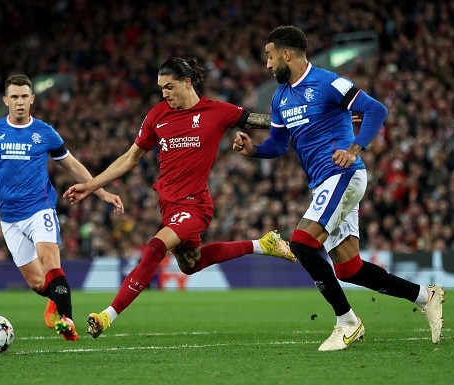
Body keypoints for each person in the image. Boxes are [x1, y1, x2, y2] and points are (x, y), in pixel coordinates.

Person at [232, 25, 445, 351]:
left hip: (343, 174)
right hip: (322, 185)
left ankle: (347, 322)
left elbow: (375, 109)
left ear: (286, 54)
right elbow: (278, 143)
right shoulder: (280, 97)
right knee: (349, 268)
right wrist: (253, 151)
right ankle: (425, 296)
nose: (267, 65)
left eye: (270, 57)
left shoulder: (328, 82)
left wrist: (355, 149)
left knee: (302, 243)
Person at [66, 57, 297, 339]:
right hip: (169, 206)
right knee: (191, 265)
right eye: (161, 88)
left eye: (170, 87)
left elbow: (265, 121)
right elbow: (129, 159)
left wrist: (317, 117)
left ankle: (107, 316)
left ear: (187, 83)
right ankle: (262, 244)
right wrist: (91, 185)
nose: (165, 94)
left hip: (195, 205)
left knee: (154, 248)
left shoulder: (217, 111)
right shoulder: (157, 115)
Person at [0, 74, 124, 342]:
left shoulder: (45, 133)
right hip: (10, 219)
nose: (20, 102)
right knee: (38, 283)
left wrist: (100, 191)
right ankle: (54, 298)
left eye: (25, 96)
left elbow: (71, 165)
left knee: (50, 259)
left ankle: (67, 321)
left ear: (32, 99)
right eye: (14, 97)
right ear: (6, 100)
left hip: (40, 209)